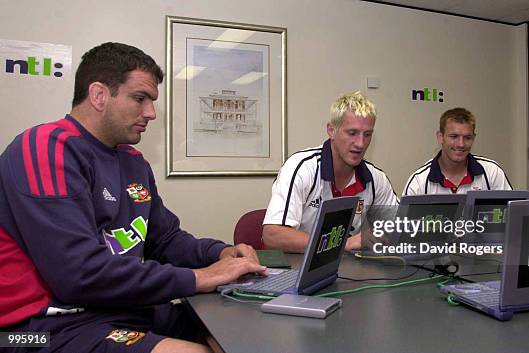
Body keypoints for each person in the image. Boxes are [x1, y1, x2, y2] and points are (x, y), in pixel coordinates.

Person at [0, 42, 266, 353]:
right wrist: (199, 277)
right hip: (36, 329)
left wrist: (220, 254)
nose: (151, 113)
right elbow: (79, 275)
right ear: (99, 95)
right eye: (140, 99)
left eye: (151, 101)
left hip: (121, 309)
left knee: (241, 330)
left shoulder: (131, 159)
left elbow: (164, 239)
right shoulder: (44, 148)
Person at [262, 91, 398, 253]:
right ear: (331, 130)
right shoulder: (301, 167)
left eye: (367, 135)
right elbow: (272, 235)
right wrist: (342, 243)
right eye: (352, 133)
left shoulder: (375, 179)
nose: (361, 144)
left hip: (345, 269)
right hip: (292, 268)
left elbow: (399, 228)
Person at [403, 107, 512, 195]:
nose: (461, 144)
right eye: (454, 136)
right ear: (440, 137)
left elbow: (512, 216)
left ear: (473, 138)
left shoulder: (492, 172)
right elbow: (405, 222)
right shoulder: (419, 181)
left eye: (467, 138)